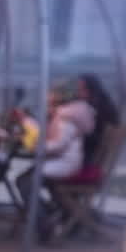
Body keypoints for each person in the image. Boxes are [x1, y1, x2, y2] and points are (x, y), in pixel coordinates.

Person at [16, 81, 97, 231]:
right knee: (24, 180)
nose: (48, 97)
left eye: (51, 94)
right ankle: (47, 214)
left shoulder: (67, 117)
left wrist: (36, 147)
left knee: (26, 182)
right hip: (60, 161)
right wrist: (29, 123)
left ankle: (45, 224)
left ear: (61, 96)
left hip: (65, 163)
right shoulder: (65, 114)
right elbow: (51, 137)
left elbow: (59, 144)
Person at [77, 74, 119, 168]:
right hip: (87, 145)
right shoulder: (90, 102)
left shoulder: (101, 105)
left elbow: (98, 133)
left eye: (82, 89)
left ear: (91, 89)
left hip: (90, 150)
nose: (79, 93)